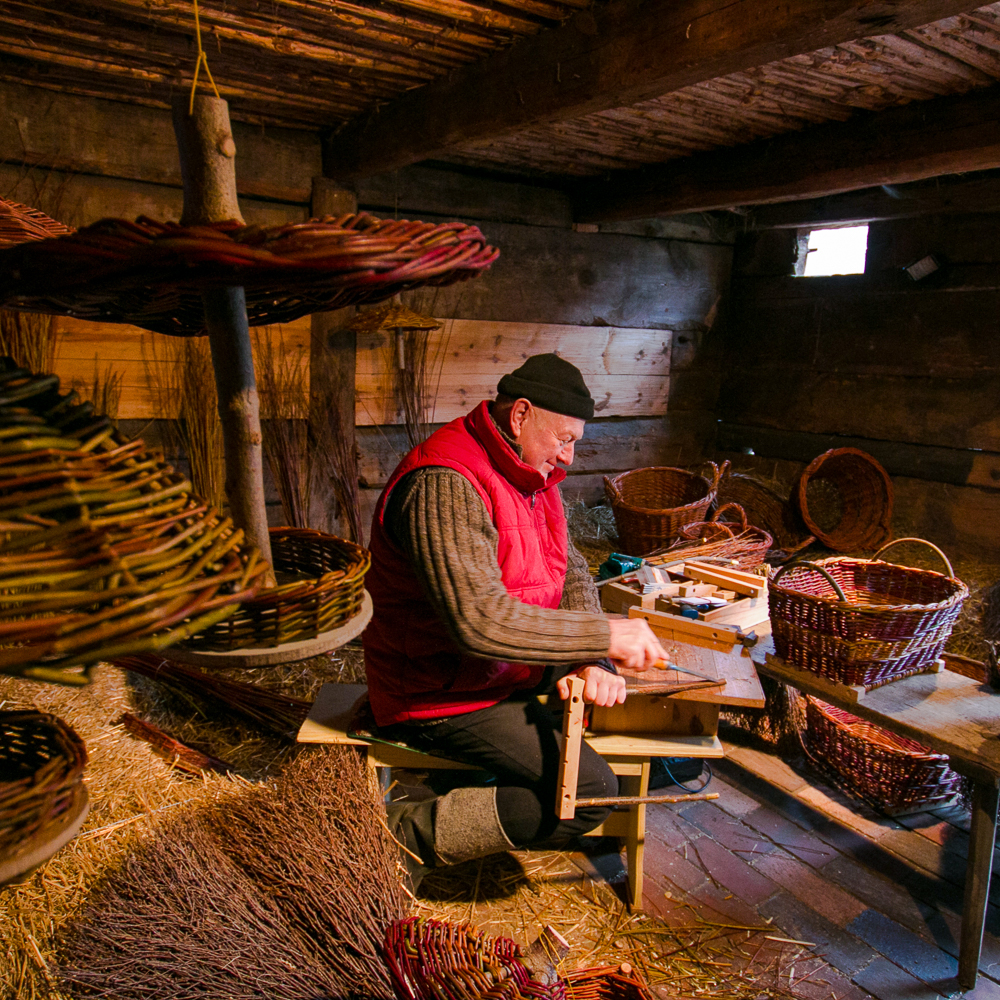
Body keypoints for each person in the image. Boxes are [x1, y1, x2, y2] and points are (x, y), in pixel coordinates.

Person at [362, 353, 669, 886]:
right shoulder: (446, 481)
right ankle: (404, 836)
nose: (569, 457)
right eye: (565, 439)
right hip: (439, 685)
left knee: (619, 691)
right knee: (590, 795)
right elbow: (479, 623)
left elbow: (570, 569)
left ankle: (477, 786)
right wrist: (606, 633)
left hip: (502, 669)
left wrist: (592, 657)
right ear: (521, 415)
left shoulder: (533, 475)